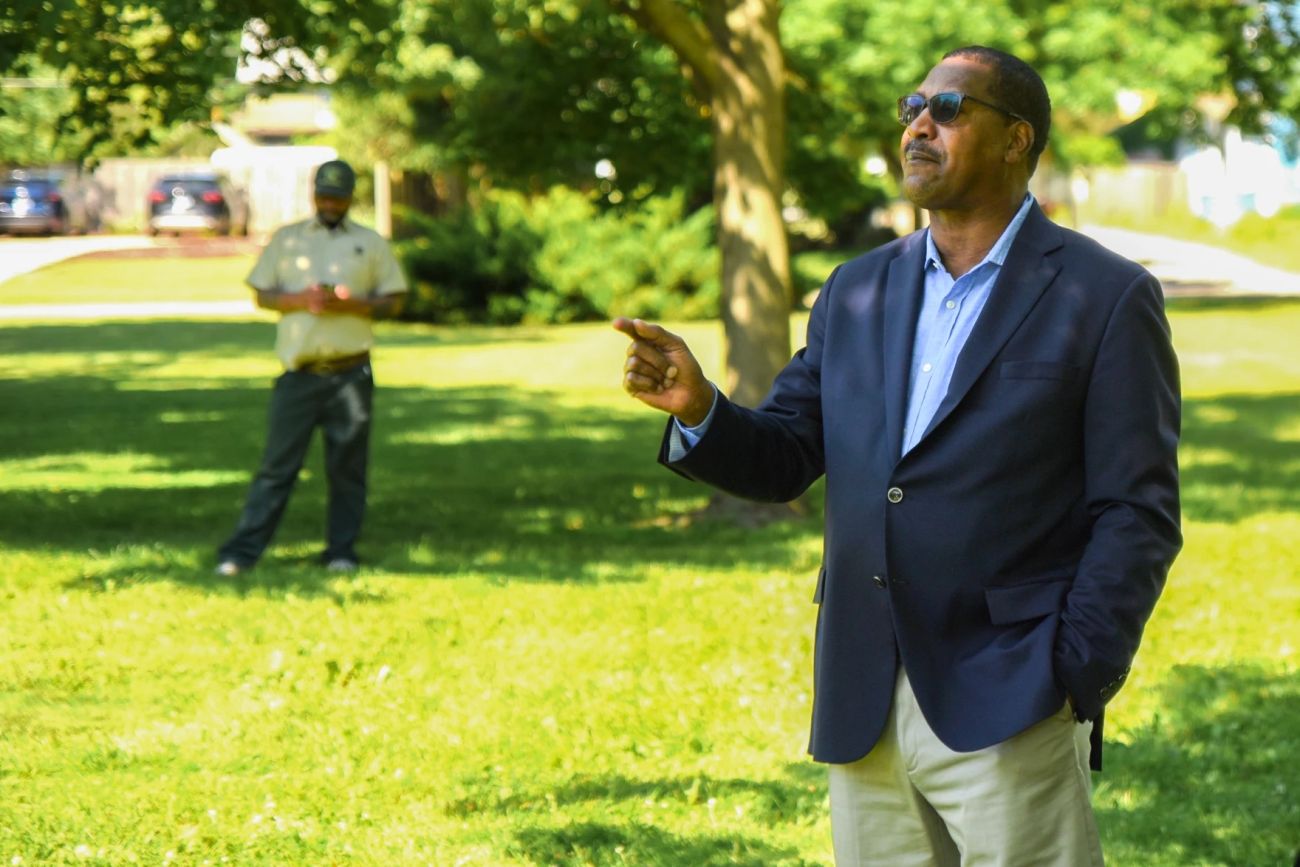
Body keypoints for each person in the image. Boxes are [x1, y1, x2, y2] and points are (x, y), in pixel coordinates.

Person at [614, 45, 1180, 865]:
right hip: (864, 690)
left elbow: (1137, 512)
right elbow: (784, 454)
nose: (919, 124)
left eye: (948, 110)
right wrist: (701, 407)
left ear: (1017, 139)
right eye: (914, 107)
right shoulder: (857, 289)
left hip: (1010, 691)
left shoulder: (1105, 293)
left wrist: (1070, 671)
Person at [216, 159, 407, 576]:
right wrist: (300, 300)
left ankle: (341, 552)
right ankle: (242, 552)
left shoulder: (371, 243)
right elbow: (263, 295)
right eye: (324, 195)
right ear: (313, 193)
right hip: (299, 374)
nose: (330, 203)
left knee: (348, 470)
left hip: (351, 373)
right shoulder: (288, 241)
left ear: (350, 198)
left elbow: (393, 301)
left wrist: (351, 303)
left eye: (338, 197)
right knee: (276, 468)